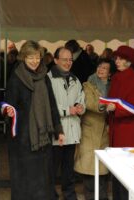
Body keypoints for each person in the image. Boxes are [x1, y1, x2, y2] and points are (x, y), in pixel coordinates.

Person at [3, 40, 64, 200]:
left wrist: (59, 130)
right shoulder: (16, 78)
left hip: (43, 140)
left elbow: (52, 105)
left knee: (44, 180)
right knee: (25, 182)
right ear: (23, 57)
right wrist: (8, 111)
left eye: (37, 57)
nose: (35, 61)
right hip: (23, 141)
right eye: (31, 57)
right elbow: (7, 105)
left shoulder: (45, 77)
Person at [106, 45, 134, 200]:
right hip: (116, 128)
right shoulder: (116, 77)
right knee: (116, 170)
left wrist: (114, 109)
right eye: (116, 58)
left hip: (128, 131)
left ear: (129, 61)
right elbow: (113, 100)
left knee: (126, 170)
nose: (117, 61)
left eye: (120, 58)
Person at [48, 47, 85, 200]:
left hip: (72, 132)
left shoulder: (76, 80)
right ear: (56, 60)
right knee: (51, 170)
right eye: (64, 60)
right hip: (56, 132)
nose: (68, 63)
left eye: (70, 60)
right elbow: (48, 107)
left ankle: (69, 195)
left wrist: (81, 107)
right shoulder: (48, 79)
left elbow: (81, 99)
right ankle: (49, 196)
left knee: (69, 171)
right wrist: (67, 110)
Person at [74, 59, 114, 200]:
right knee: (89, 170)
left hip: (105, 132)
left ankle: (102, 197)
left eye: (105, 68)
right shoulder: (88, 84)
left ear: (109, 73)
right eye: (99, 66)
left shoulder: (113, 86)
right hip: (90, 130)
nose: (100, 69)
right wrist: (105, 105)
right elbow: (89, 103)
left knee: (102, 171)